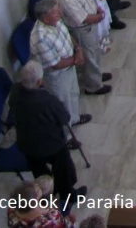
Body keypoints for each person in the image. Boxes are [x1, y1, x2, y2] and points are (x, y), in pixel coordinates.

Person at [8, 62, 85, 208]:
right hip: (51, 144)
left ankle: (44, 195)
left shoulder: (15, 91)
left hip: (27, 144)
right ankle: (67, 194)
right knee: (63, 167)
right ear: (39, 81)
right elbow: (64, 118)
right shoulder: (47, 100)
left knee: (39, 171)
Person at [53, 0, 111, 96]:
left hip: (91, 19)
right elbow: (82, 17)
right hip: (82, 28)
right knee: (89, 54)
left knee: (94, 50)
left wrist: (97, 7)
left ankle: (96, 75)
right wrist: (99, 17)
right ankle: (93, 86)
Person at [29, 0, 88, 128]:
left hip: (69, 66)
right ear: (46, 19)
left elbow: (67, 35)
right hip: (57, 76)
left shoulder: (56, 20)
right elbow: (55, 64)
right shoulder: (40, 38)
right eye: (56, 12)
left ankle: (74, 119)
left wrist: (77, 49)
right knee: (63, 105)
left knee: (73, 93)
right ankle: (66, 136)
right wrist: (77, 60)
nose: (60, 13)